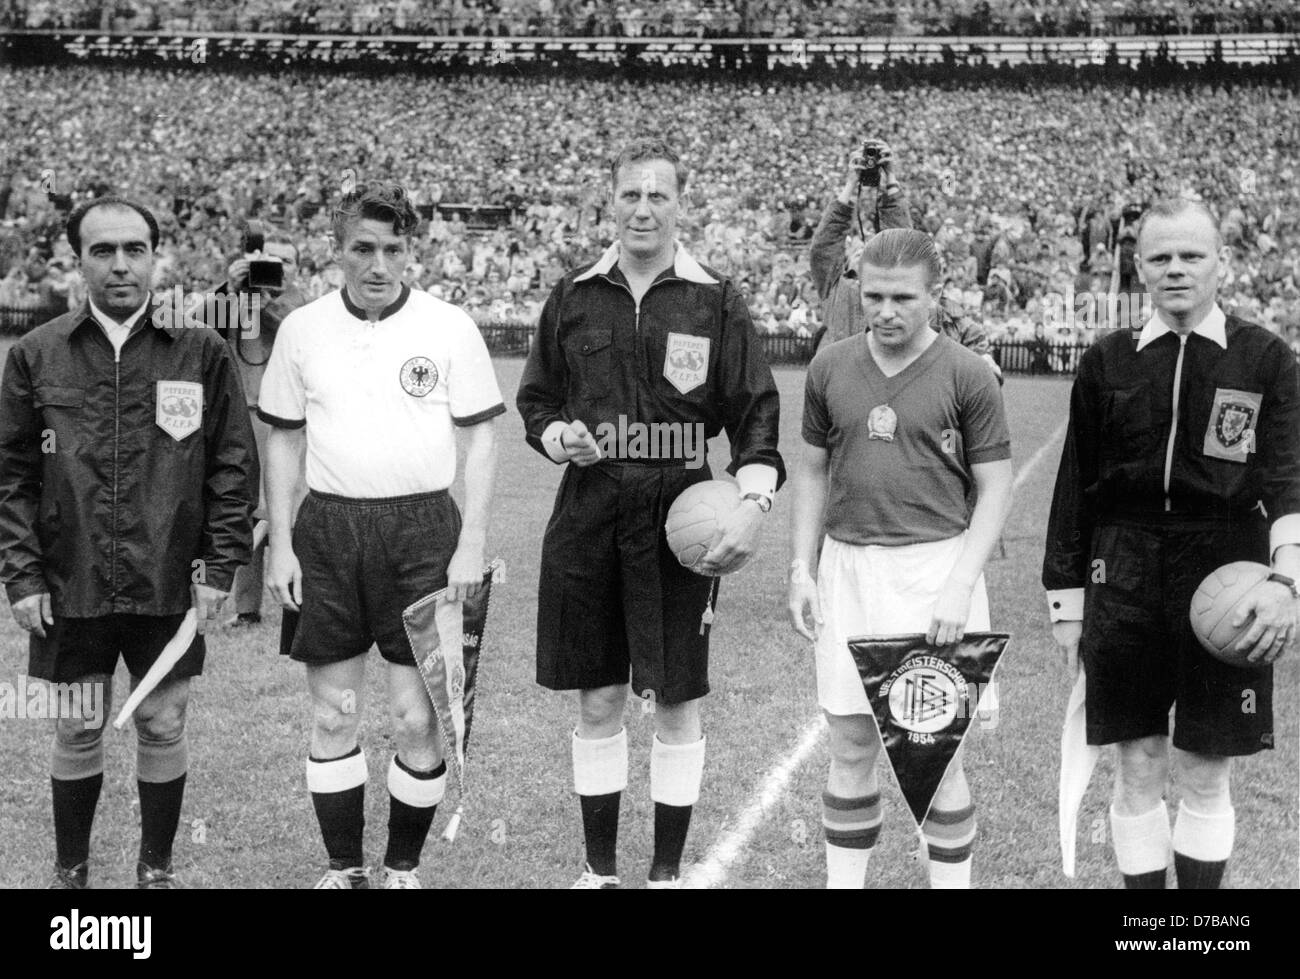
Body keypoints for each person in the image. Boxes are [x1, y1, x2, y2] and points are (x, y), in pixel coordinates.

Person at [516, 138, 784, 889]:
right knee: (597, 692)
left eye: (657, 195)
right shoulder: (573, 294)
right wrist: (553, 433)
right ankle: (599, 870)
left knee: (675, 694)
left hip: (681, 508)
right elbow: (536, 397)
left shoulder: (715, 297)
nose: (642, 208)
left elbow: (755, 409)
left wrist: (754, 497)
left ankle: (666, 873)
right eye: (630, 194)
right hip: (591, 504)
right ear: (611, 202)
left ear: (679, 204)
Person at [0, 195, 258, 888]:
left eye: (135, 250)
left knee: (164, 723)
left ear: (155, 256)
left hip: (168, 580)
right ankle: (71, 872)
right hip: (69, 581)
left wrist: (220, 565)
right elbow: (13, 475)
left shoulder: (201, 350)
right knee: (78, 727)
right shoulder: (35, 353)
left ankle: (156, 870)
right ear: (77, 259)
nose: (121, 265)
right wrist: (22, 576)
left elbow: (234, 465)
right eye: (103, 251)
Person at [1042, 198, 1300, 889]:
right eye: (1160, 257)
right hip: (1123, 568)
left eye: (1192, 254)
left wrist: (1289, 582)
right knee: (1138, 761)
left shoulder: (1266, 357)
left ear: (1223, 262)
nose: (1176, 268)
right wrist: (1068, 606)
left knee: (1207, 764)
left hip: (1227, 568)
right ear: (1139, 268)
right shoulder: (1108, 361)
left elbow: (1288, 476)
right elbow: (1076, 486)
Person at [260, 182, 503, 890]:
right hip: (329, 533)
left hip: (424, 531)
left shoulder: (449, 325)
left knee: (413, 716)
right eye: (362, 248)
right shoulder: (302, 329)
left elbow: (482, 435)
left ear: (410, 252)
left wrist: (472, 539)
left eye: (393, 249)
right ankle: (343, 868)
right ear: (337, 250)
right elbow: (281, 441)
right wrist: (281, 541)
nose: (378, 263)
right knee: (334, 710)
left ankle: (402, 867)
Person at [788, 228, 1014, 889]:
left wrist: (961, 584)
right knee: (851, 742)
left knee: (937, 758)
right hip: (848, 569)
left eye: (903, 298)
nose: (885, 311)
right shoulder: (831, 364)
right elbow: (811, 470)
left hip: (935, 572)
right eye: (874, 295)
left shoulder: (967, 373)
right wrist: (803, 566)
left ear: (935, 294)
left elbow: (995, 485)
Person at [809, 141, 1001, 380]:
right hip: (845, 384)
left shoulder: (904, 287)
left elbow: (902, 244)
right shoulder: (836, 284)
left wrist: (890, 180)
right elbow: (824, 244)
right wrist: (851, 183)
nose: (866, 248)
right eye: (859, 249)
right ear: (846, 263)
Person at [210, 224, 308, 627]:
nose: (276, 268)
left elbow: (290, 331)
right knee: (244, 509)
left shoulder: (300, 306)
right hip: (238, 416)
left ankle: (300, 596)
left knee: (289, 510)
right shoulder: (235, 298)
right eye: (268, 260)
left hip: (286, 419)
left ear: (297, 270)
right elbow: (197, 329)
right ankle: (247, 608)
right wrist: (227, 291)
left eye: (285, 262)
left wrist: (260, 300)